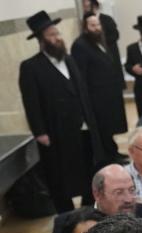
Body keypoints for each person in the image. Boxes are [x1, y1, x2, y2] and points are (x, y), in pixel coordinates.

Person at [19, 10, 102, 213]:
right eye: (51, 35)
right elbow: (31, 102)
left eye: (57, 33)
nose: (57, 38)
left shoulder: (70, 59)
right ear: (41, 40)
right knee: (59, 175)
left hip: (82, 126)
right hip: (56, 129)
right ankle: (65, 214)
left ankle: (86, 209)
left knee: (87, 168)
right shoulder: (31, 67)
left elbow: (81, 92)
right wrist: (40, 132)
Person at [71, 12, 127, 163]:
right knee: (102, 128)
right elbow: (81, 75)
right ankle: (108, 157)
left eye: (98, 25)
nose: (97, 28)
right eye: (93, 25)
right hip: (95, 96)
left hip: (108, 94)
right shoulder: (80, 45)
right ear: (85, 28)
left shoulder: (101, 41)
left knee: (109, 127)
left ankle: (114, 152)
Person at [81, 0, 120, 69]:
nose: (85, 9)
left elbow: (115, 36)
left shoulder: (107, 19)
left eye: (88, 7)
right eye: (84, 7)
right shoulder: (85, 21)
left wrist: (99, 40)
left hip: (111, 58)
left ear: (95, 7)